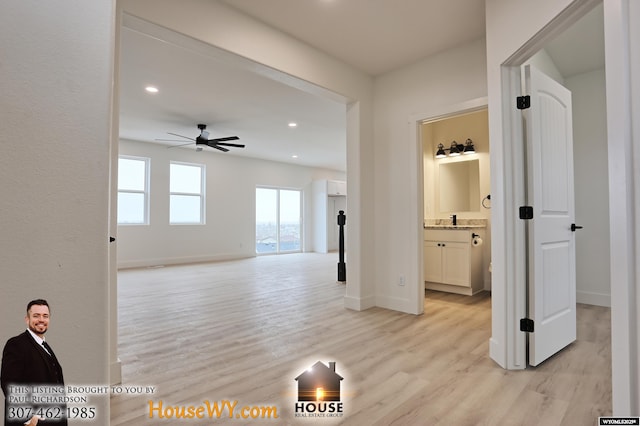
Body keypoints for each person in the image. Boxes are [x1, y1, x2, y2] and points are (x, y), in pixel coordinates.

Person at [1, 300, 67, 426]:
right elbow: (9, 384)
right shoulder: (16, 344)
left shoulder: (44, 346)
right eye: (36, 316)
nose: (41, 319)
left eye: (45, 316)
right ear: (27, 319)